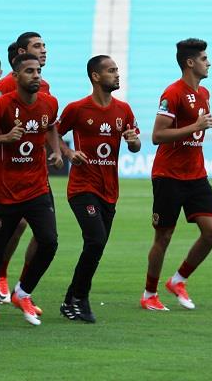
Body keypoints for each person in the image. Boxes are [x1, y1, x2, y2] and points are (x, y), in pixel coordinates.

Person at [0, 53, 63, 328]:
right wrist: (5, 138)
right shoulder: (0, 105)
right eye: (30, 71)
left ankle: (22, 292)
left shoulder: (49, 103)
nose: (36, 76)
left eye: (38, 71)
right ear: (16, 76)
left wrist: (56, 151)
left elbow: (51, 127)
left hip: (37, 189)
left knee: (49, 241)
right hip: (4, 192)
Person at [57, 55, 140, 323]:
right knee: (95, 240)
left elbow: (136, 145)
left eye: (117, 70)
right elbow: (53, 134)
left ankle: (70, 300)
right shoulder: (77, 108)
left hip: (109, 189)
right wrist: (69, 153)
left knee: (97, 244)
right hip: (82, 187)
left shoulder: (124, 110)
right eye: (111, 70)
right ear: (95, 76)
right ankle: (80, 298)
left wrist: (133, 141)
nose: (117, 74)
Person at [141, 38, 212, 311]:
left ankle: (178, 280)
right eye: (204, 58)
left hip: (196, 174)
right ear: (190, 62)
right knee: (163, 237)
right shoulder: (172, 93)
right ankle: (149, 294)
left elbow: (196, 126)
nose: (209, 63)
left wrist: (208, 123)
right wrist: (195, 126)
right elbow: (157, 135)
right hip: (169, 175)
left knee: (211, 231)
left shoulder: (204, 93)